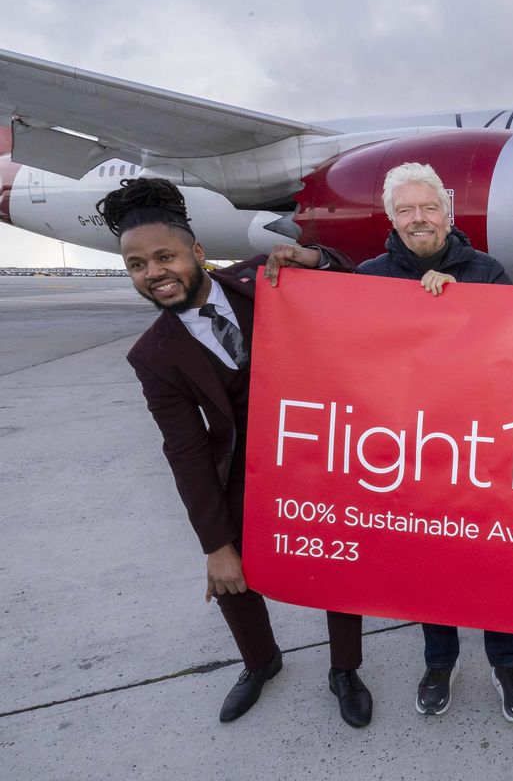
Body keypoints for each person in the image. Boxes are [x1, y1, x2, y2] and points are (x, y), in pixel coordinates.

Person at [99, 178, 373, 728]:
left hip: (317, 453)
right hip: (242, 466)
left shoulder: (267, 278)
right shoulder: (153, 354)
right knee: (228, 568)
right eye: (136, 265)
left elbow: (354, 282)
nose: (154, 272)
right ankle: (260, 660)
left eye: (164, 256)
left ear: (196, 253)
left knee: (337, 564)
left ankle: (344, 669)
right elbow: (186, 449)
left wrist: (314, 257)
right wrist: (216, 544)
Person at [355, 162, 513, 723]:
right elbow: (356, 356)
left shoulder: (487, 271)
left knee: (490, 559)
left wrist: (508, 305)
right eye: (406, 210)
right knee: (429, 561)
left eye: (428, 207)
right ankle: (440, 660)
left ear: (448, 212)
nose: (418, 219)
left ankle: (506, 661)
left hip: (480, 451)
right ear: (390, 218)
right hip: (408, 453)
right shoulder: (370, 276)